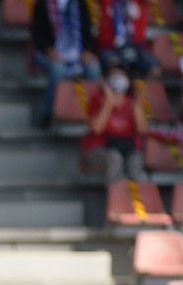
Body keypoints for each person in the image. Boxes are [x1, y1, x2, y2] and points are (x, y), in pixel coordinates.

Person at [31, 0, 96, 130]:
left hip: (77, 52)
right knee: (58, 69)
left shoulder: (79, 3)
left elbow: (88, 31)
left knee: (94, 68)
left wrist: (87, 51)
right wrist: (49, 50)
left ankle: (95, 116)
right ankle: (49, 114)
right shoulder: (43, 4)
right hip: (48, 52)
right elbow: (36, 34)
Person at [83, 64, 148, 181]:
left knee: (136, 161)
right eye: (114, 75)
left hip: (127, 148)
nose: (118, 78)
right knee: (115, 158)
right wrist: (108, 102)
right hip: (99, 148)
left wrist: (137, 105)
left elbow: (142, 129)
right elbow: (97, 129)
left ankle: (141, 198)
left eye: (121, 75)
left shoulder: (133, 102)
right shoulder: (97, 98)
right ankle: (114, 197)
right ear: (106, 80)